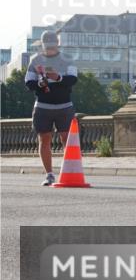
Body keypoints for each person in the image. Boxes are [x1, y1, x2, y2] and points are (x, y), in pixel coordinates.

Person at [24, 30, 78, 186]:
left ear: (58, 44)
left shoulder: (67, 59)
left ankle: (68, 171)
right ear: (42, 45)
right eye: (48, 47)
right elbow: (28, 82)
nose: (50, 50)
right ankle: (49, 174)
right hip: (42, 106)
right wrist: (39, 84)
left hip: (65, 106)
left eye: (53, 47)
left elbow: (73, 79)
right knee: (44, 139)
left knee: (66, 139)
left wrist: (58, 77)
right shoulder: (35, 60)